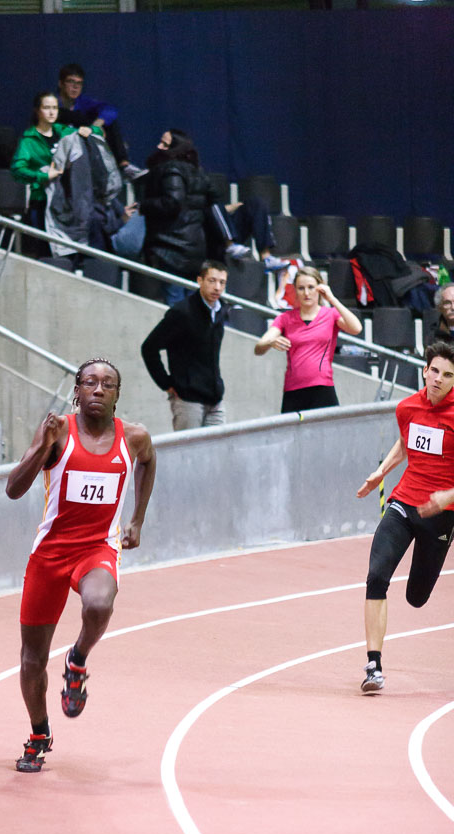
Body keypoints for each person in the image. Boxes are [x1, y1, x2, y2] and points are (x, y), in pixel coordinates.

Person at [6, 359, 156, 772]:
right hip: (50, 554)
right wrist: (41, 447)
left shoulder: (136, 437)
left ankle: (77, 658)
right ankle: (39, 733)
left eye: (108, 383)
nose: (98, 388)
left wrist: (137, 520)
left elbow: (148, 462)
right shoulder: (57, 432)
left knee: (98, 604)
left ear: (117, 394)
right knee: (32, 660)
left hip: (97, 549)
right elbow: (13, 489)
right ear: (77, 390)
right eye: (89, 381)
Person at [356, 341, 454, 693]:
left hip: (441, 516)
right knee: (376, 575)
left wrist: (447, 496)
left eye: (447, 375)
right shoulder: (407, 407)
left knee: (416, 597)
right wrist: (381, 472)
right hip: (404, 502)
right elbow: (405, 440)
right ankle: (373, 665)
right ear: (425, 370)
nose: (438, 379)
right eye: (434, 371)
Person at [253, 266, 363, 414]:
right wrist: (270, 342)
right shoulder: (285, 318)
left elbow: (356, 328)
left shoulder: (330, 314)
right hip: (293, 390)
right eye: (301, 288)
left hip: (323, 387)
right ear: (295, 291)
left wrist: (332, 299)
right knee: (292, 436)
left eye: (311, 287)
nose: (306, 293)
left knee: (327, 435)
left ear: (320, 288)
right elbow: (259, 348)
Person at [10, 91, 102, 258]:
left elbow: (97, 132)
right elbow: (17, 170)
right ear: (38, 111)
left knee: (73, 251)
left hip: (68, 203)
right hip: (42, 202)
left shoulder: (63, 131)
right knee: (47, 253)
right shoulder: (28, 140)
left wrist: (90, 130)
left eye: (55, 108)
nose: (52, 112)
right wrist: (43, 176)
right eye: (47, 108)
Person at [141, 260, 229, 431]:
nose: (217, 287)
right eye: (212, 281)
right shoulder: (182, 312)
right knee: (189, 454)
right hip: (188, 399)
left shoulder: (221, 310)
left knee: (219, 452)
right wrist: (166, 383)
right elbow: (149, 347)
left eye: (222, 282)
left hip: (215, 398)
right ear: (199, 281)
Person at [140, 129, 219, 305]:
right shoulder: (197, 172)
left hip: (171, 247)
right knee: (190, 306)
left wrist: (144, 206)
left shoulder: (170, 168)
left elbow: (173, 202)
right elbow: (213, 198)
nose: (158, 147)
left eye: (165, 144)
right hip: (194, 247)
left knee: (176, 306)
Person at [56, 63, 145, 182]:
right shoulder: (52, 103)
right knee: (75, 116)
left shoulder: (83, 101)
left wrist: (96, 125)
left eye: (79, 83)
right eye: (71, 82)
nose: (75, 87)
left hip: (85, 141)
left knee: (109, 122)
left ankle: (124, 165)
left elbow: (110, 110)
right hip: (63, 145)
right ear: (61, 83)